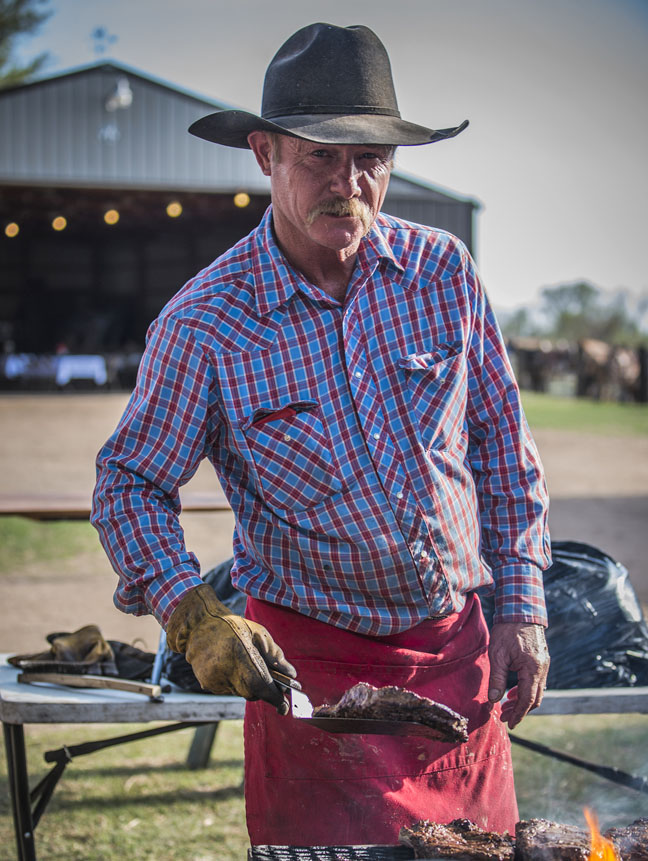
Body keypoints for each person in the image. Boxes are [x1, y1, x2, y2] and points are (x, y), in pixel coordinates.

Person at [92, 22, 551, 847]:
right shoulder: (207, 321)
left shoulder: (443, 273)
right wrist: (192, 613)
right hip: (309, 676)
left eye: (371, 158)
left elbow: (504, 452)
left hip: (457, 653)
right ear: (264, 155)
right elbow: (129, 483)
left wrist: (523, 608)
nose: (350, 182)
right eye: (320, 157)